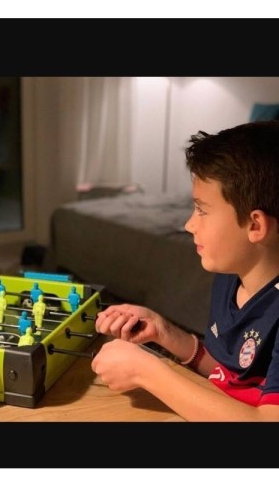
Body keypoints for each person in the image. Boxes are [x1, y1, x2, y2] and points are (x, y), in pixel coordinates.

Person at [91, 120, 279, 421]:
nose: (189, 224)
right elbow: (234, 379)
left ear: (255, 225)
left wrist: (147, 372)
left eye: (202, 210)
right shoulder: (231, 278)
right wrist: (167, 334)